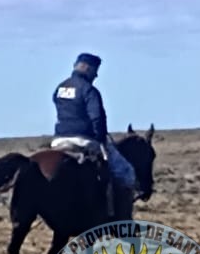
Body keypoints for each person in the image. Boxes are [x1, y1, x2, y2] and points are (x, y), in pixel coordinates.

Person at [51, 53, 139, 213]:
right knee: (125, 171)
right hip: (84, 140)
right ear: (86, 67)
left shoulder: (60, 88)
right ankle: (117, 214)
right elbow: (97, 117)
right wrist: (101, 138)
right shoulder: (89, 90)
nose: (96, 75)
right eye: (95, 70)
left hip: (59, 140)